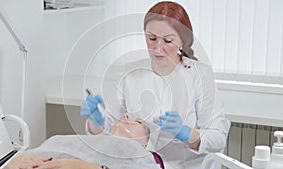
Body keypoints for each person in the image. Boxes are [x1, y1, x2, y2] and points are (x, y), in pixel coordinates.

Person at [80, 1, 230, 168]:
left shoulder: (199, 75)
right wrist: (96, 122)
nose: (157, 48)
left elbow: (218, 137)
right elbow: (112, 132)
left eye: (167, 41)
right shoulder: (130, 74)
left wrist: (188, 134)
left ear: (182, 41)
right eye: (152, 38)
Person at [3, 116, 164, 169]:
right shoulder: (77, 141)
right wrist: (16, 162)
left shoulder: (140, 155)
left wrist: (84, 166)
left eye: (138, 122)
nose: (126, 117)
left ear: (143, 144)